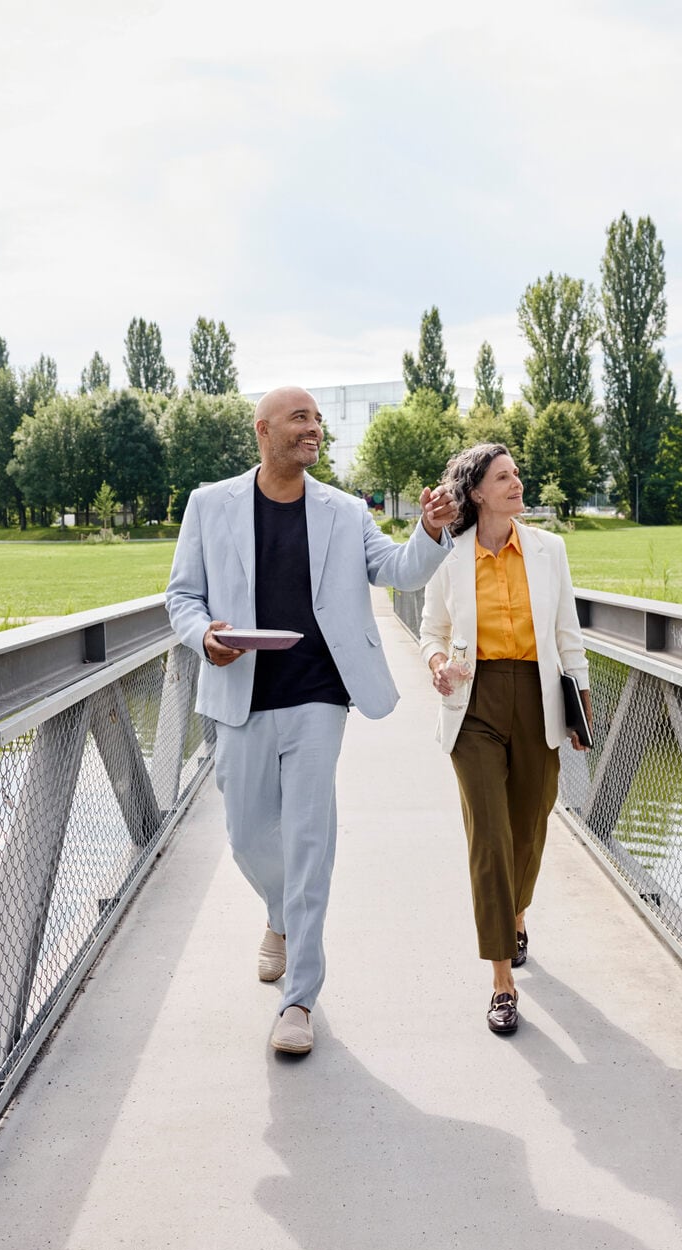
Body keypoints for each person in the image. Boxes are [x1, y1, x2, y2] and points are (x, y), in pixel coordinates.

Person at [165, 386, 457, 1056]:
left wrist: (432, 531)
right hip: (240, 692)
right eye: (300, 418)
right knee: (244, 836)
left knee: (307, 838)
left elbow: (397, 571)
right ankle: (279, 915)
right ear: (263, 430)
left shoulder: (342, 510)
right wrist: (201, 633)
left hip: (320, 694)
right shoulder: (210, 505)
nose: (313, 430)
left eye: (318, 420)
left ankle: (299, 998)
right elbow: (182, 594)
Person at [418, 443, 594, 1035]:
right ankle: (501, 980)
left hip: (538, 697)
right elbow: (431, 629)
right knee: (488, 837)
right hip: (473, 703)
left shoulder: (550, 550)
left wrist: (582, 705)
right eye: (504, 477)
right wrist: (438, 661)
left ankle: (517, 914)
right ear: (477, 493)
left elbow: (567, 632)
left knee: (530, 826)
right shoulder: (450, 556)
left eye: (518, 473)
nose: (517, 483)